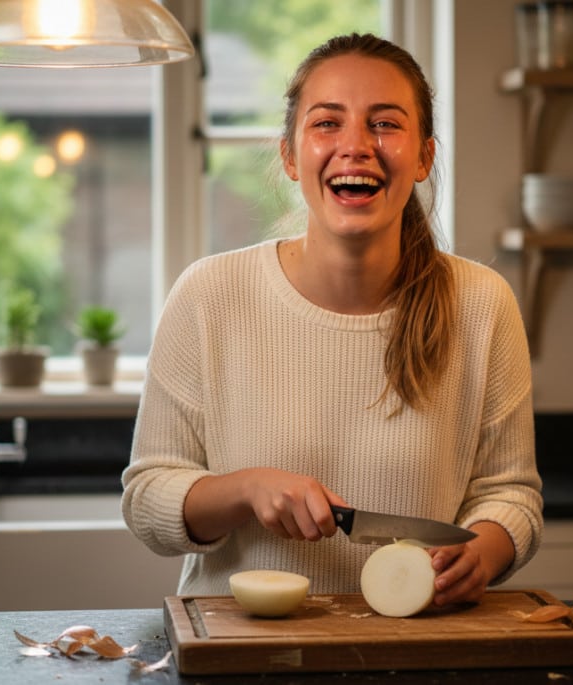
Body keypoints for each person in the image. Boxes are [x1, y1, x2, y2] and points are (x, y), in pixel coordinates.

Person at [122, 33, 542, 608]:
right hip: (242, 647)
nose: (356, 146)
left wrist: (484, 553)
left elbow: (510, 494)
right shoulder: (208, 295)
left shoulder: (483, 303)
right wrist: (247, 489)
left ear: (424, 156)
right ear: (291, 156)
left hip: (417, 644)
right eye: (327, 123)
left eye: (385, 124)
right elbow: (147, 499)